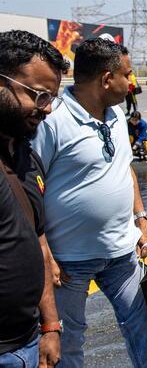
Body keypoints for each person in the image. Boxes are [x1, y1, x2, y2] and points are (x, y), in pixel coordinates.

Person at [30, 38, 147, 368]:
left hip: (123, 254)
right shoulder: (53, 121)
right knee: (68, 344)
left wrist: (141, 216)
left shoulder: (118, 114)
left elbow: (125, 167)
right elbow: (29, 190)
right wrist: (44, 253)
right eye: (128, 75)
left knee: (145, 329)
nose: (132, 83)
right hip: (68, 262)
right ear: (107, 79)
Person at [0, 30, 67, 368]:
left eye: (52, 97)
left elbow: (39, 243)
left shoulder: (27, 157)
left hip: (27, 344)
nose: (48, 109)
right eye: (40, 96)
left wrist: (51, 326)